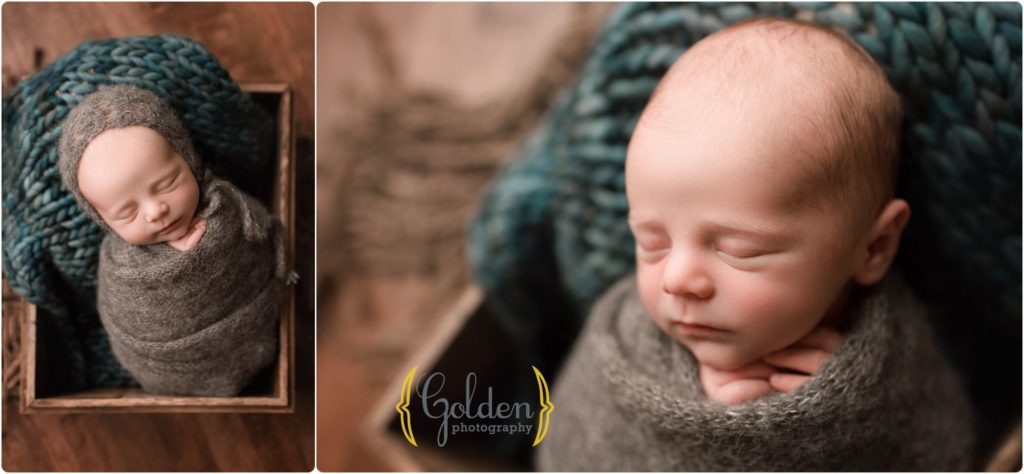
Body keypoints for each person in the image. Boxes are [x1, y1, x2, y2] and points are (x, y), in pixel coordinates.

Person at [537, 18, 974, 470]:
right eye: (652, 243)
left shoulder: (892, 372)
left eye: (739, 250)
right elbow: (579, 436)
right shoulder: (626, 340)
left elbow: (936, 443)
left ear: (873, 248)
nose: (677, 279)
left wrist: (837, 414)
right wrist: (709, 412)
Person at [58, 85, 287, 397]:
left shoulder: (228, 208)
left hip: (253, 342)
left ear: (187, 158)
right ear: (103, 221)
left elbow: (260, 241)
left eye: (167, 183)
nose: (156, 211)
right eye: (127, 212)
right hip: (167, 374)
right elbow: (122, 315)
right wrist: (177, 264)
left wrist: (212, 249)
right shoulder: (118, 266)